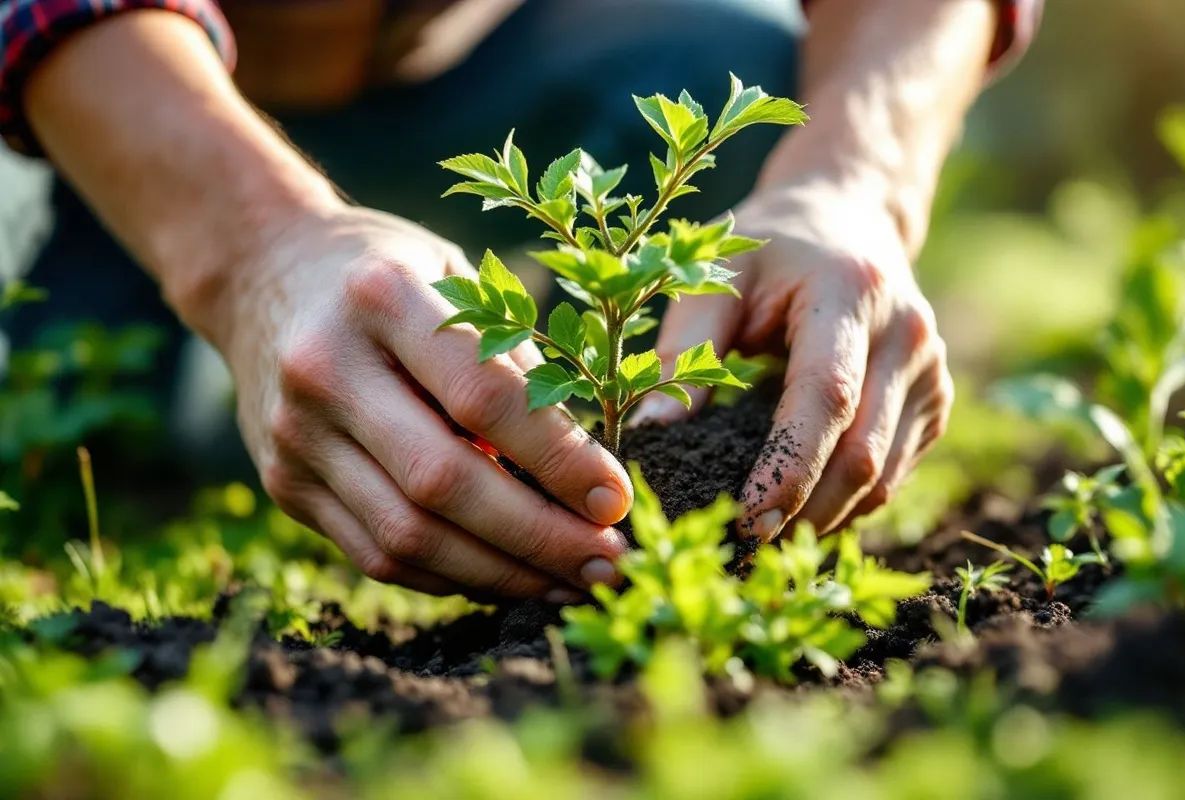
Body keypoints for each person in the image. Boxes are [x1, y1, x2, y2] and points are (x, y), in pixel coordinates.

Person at [0, 0, 1041, 602]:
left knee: (750, 72)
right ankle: (314, 387)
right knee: (103, 430)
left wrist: (851, 175)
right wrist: (251, 259)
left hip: (494, 55)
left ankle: (519, 433)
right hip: (93, 109)